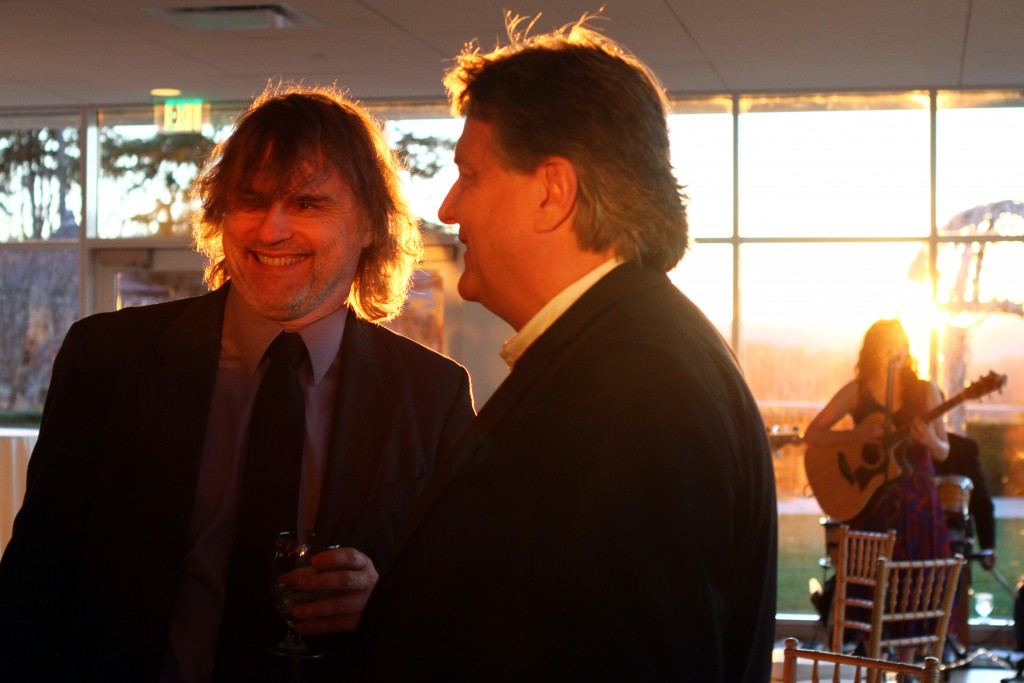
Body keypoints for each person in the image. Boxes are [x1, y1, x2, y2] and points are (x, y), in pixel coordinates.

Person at [0, 84, 475, 682]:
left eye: (306, 203)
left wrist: (387, 603)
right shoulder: (110, 360)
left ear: (369, 225)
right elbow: (36, 577)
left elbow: (467, 598)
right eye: (250, 200)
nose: (271, 230)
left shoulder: (431, 395)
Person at [355, 15, 778, 682]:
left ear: (552, 193)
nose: (449, 206)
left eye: (470, 174)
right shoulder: (626, 349)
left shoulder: (635, 387)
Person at [804, 318, 951, 658]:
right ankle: (870, 661)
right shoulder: (856, 393)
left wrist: (929, 440)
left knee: (913, 587)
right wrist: (855, 435)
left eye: (900, 346)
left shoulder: (925, 391)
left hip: (916, 507)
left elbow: (944, 451)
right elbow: (813, 434)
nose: (896, 352)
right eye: (888, 346)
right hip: (870, 504)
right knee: (869, 582)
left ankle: (906, 669)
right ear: (874, 350)